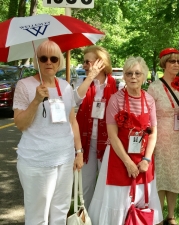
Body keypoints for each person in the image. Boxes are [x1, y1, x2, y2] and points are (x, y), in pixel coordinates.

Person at [13, 40, 83, 224]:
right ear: (37, 61)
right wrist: (36, 100)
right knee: (38, 215)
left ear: (59, 61)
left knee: (60, 210)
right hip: (37, 161)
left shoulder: (66, 87)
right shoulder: (24, 85)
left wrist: (79, 152)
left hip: (65, 159)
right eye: (43, 58)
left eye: (53, 58)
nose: (48, 62)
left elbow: (72, 121)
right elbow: (20, 124)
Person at [88, 56, 163, 225]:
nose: (133, 77)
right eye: (129, 73)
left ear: (144, 76)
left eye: (137, 73)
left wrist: (147, 159)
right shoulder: (115, 99)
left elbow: (153, 132)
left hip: (143, 158)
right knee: (118, 199)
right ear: (124, 76)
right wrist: (128, 162)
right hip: (119, 156)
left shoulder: (149, 100)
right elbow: (112, 135)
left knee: (142, 197)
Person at [147, 48, 179, 225]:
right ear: (164, 63)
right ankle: (158, 215)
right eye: (172, 61)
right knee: (161, 176)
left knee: (174, 176)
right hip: (160, 135)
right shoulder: (155, 87)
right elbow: (149, 115)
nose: (176, 64)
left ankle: (171, 215)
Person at [74, 45, 117, 209]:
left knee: (106, 185)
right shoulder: (83, 82)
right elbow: (75, 100)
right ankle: (85, 217)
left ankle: (104, 217)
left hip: (107, 143)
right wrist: (89, 78)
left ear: (100, 63)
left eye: (87, 62)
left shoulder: (116, 85)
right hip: (86, 143)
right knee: (86, 185)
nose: (84, 65)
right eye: (84, 62)